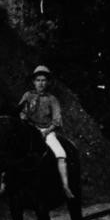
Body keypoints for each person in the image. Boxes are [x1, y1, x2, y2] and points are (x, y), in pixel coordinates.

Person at [18, 65, 74, 200]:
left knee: (61, 154)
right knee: (11, 148)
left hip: (46, 131)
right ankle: (4, 186)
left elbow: (56, 120)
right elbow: (19, 112)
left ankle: (65, 186)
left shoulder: (52, 99)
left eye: (43, 80)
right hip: (29, 130)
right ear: (33, 81)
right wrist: (22, 117)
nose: (41, 83)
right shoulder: (27, 95)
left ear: (47, 82)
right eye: (38, 80)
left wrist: (45, 132)